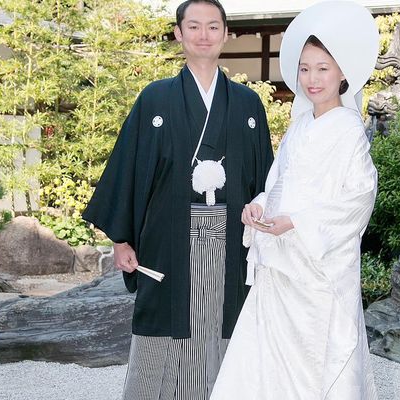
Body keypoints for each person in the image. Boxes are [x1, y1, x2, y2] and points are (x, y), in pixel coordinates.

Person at [81, 0, 273, 398]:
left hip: (232, 242)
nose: (204, 35)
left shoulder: (247, 104)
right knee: (164, 325)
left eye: (213, 27)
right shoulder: (155, 99)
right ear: (178, 34)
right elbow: (128, 169)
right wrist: (121, 240)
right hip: (167, 240)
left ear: (226, 34)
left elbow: (266, 181)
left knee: (226, 324)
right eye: (194, 26)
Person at [210, 1, 380, 399]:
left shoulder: (349, 130)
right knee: (266, 359)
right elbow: (280, 182)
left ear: (342, 73)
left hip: (318, 265)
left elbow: (359, 198)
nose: (312, 79)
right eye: (304, 69)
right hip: (280, 259)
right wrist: (259, 205)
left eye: (323, 68)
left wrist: (298, 222)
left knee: (316, 359)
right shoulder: (300, 125)